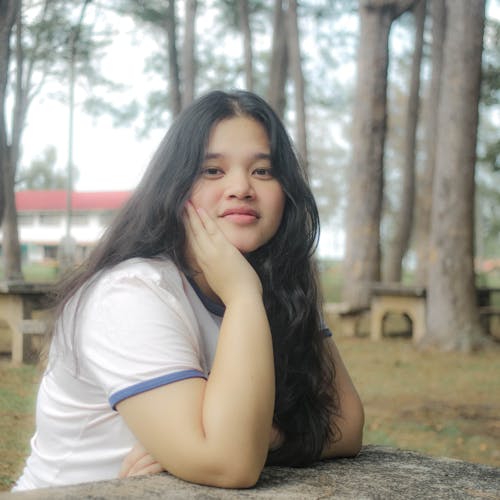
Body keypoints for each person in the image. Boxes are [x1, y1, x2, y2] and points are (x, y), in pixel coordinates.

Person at [13, 90, 364, 491]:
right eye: (212, 171)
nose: (241, 188)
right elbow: (230, 464)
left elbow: (347, 425)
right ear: (175, 188)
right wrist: (244, 298)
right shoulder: (130, 295)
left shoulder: (281, 285)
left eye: (263, 171)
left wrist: (265, 436)